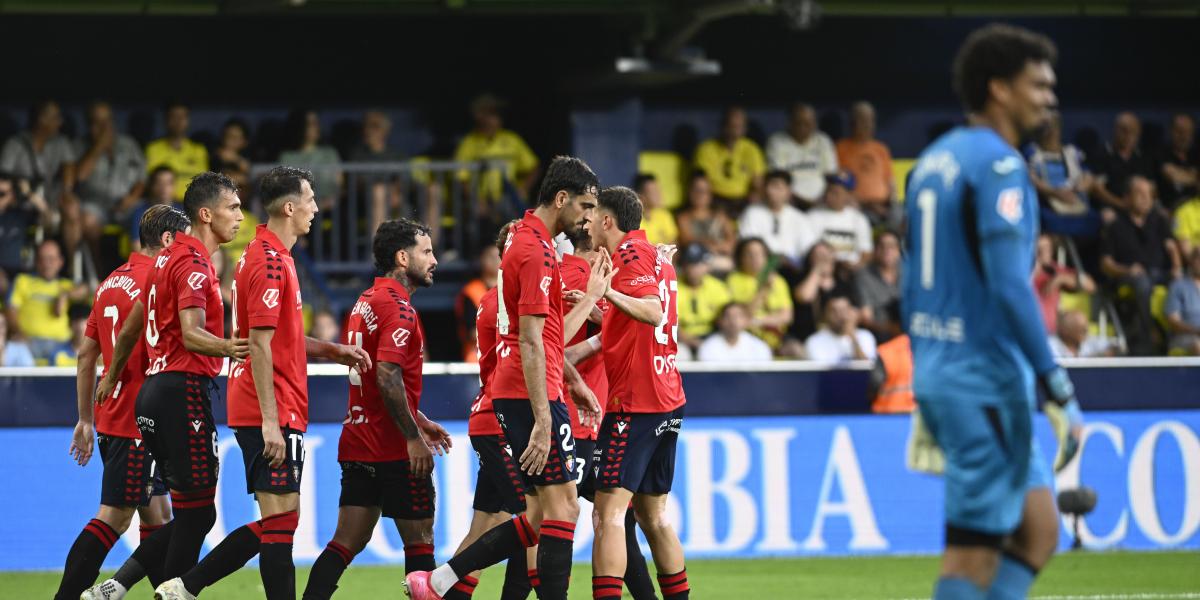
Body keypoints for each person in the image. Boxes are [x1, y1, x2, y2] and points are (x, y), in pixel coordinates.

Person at [901, 24, 1084, 600]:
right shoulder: (1002, 166)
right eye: (1039, 85)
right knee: (971, 556)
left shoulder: (933, 160)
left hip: (946, 372)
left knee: (1038, 531)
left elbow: (913, 280)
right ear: (999, 89)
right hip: (983, 382)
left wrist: (930, 371)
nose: (1049, 97)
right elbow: (1010, 286)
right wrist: (1055, 382)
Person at [155, 167, 370, 600]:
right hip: (270, 403)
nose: (315, 208)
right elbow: (260, 345)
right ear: (290, 207)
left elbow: (279, 336)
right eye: (310, 199)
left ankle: (184, 586)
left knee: (280, 522)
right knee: (280, 527)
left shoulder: (264, 256)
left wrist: (333, 350)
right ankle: (185, 586)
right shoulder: (270, 263)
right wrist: (272, 422)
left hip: (264, 400)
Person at [405, 156, 610, 600]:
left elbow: (550, 335)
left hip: (523, 389)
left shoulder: (524, 237)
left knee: (536, 515)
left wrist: (589, 300)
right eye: (586, 205)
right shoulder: (535, 251)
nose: (589, 216)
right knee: (564, 509)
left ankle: (442, 580)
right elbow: (532, 341)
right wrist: (542, 418)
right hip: (529, 391)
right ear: (561, 199)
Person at [108, 172, 247, 588]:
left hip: (153, 394)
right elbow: (191, 333)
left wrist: (111, 375)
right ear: (206, 214)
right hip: (180, 391)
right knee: (199, 513)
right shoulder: (193, 263)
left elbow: (132, 327)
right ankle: (172, 591)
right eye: (233, 208)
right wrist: (233, 347)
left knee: (191, 513)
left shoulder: (165, 258)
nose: (241, 217)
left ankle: (118, 587)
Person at [302, 218, 452, 600]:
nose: (434, 260)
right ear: (403, 257)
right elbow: (386, 376)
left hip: (357, 441)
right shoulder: (399, 310)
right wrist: (412, 438)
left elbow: (376, 382)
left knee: (346, 541)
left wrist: (418, 418)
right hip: (392, 449)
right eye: (427, 252)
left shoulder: (364, 302)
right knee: (420, 543)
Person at [59, 205, 190, 600]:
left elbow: (86, 355)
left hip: (112, 415)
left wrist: (85, 420)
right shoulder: (160, 279)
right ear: (168, 240)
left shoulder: (110, 282)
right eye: (183, 241)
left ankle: (166, 594)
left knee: (160, 516)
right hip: (140, 421)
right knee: (115, 517)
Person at [583, 185, 690, 600]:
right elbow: (636, 316)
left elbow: (652, 311)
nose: (588, 222)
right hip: (667, 398)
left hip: (637, 403)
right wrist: (600, 309)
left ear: (608, 221)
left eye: (593, 215)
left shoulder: (629, 255)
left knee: (607, 514)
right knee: (653, 515)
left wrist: (603, 292)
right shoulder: (655, 260)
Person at [558, 222, 659, 600]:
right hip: (577, 417)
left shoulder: (614, 274)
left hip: (599, 417)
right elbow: (549, 346)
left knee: (617, 523)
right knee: (599, 522)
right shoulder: (569, 274)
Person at [439, 220, 533, 600]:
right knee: (537, 520)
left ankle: (442, 591)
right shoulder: (517, 298)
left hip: (489, 414)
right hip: (503, 418)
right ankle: (437, 582)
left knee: (486, 524)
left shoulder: (491, 298)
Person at [1099, 175, 1181, 355]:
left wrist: (1176, 268)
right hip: (1129, 277)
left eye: (1149, 194)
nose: (1146, 198)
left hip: (1159, 273)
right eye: (1139, 193)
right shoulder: (1115, 225)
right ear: (1127, 198)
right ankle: (1147, 338)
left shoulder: (1160, 221)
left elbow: (1171, 246)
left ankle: (1179, 339)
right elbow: (1106, 264)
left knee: (1182, 283)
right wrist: (1127, 269)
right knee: (1142, 282)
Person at [74, 100, 147, 258]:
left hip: (126, 203)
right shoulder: (79, 145)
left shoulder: (128, 144)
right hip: (95, 205)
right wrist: (99, 146)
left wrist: (132, 197)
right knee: (87, 220)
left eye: (107, 121)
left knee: (147, 215)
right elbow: (80, 176)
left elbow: (142, 178)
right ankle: (98, 269)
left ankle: (141, 271)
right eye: (97, 122)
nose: (104, 127)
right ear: (89, 124)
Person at [6, 239, 89, 362]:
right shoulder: (23, 281)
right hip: (28, 342)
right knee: (11, 351)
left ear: (60, 262)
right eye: (42, 259)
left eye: (51, 259)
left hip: (62, 344)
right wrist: (19, 332)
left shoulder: (65, 285)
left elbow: (86, 290)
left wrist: (65, 294)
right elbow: (11, 310)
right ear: (36, 262)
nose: (46, 264)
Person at [1025, 113, 1101, 238]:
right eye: (1046, 127)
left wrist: (1079, 189)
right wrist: (1054, 192)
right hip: (1048, 202)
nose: (1050, 132)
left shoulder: (1073, 152)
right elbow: (1030, 177)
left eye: (1053, 127)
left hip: (1074, 199)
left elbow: (1088, 175)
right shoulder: (1032, 152)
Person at [454, 93, 540, 204]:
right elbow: (462, 179)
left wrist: (523, 189)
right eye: (490, 114)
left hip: (510, 200)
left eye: (496, 114)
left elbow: (534, 168)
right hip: (483, 205)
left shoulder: (512, 139)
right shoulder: (468, 143)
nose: (494, 119)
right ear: (479, 116)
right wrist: (477, 202)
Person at [737, 170, 817, 267]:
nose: (772, 191)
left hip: (793, 268)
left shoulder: (800, 218)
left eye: (777, 187)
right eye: (769, 186)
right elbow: (748, 244)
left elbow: (808, 248)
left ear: (788, 191)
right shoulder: (752, 213)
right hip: (762, 265)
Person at [693, 106, 766, 211]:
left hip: (744, 200)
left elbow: (758, 182)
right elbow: (701, 183)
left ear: (745, 129)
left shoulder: (751, 149)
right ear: (722, 126)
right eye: (730, 126)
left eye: (738, 127)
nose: (734, 131)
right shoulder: (706, 149)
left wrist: (755, 193)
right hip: (716, 199)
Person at [726, 237, 793, 351]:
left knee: (796, 349)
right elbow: (746, 314)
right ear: (741, 258)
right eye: (749, 254)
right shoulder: (734, 280)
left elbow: (787, 317)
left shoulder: (779, 281)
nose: (754, 258)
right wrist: (764, 288)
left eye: (759, 254)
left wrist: (758, 321)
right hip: (747, 336)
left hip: (778, 337)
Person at [767, 102, 838, 207]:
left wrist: (823, 199)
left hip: (822, 202)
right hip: (789, 202)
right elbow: (779, 180)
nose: (802, 128)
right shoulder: (776, 142)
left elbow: (831, 176)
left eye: (807, 124)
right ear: (789, 122)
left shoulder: (823, 141)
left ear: (814, 123)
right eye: (798, 123)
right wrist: (801, 202)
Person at [836, 101, 894, 220]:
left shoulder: (881, 149)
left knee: (900, 216)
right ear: (852, 123)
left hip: (884, 207)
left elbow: (890, 182)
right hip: (858, 206)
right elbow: (841, 186)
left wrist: (891, 203)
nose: (867, 124)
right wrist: (871, 205)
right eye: (862, 120)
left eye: (870, 120)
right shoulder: (840, 148)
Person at [280, 109, 343, 210]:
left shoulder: (330, 153)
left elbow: (339, 184)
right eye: (311, 123)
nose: (317, 127)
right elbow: (283, 188)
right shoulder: (287, 156)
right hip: (295, 209)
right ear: (300, 126)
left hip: (327, 207)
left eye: (317, 123)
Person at [144, 102, 209, 201]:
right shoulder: (153, 149)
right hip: (163, 206)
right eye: (174, 116)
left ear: (188, 120)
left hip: (191, 208)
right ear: (166, 120)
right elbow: (150, 184)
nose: (178, 121)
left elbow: (204, 185)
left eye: (182, 117)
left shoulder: (199, 151)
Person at [807, 170, 873, 268]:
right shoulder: (812, 216)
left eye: (835, 192)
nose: (829, 195)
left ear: (849, 195)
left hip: (852, 271)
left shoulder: (859, 219)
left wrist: (855, 267)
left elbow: (866, 253)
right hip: (823, 269)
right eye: (828, 190)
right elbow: (810, 253)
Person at [675, 244, 732, 355]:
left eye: (698, 264)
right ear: (683, 266)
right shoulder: (672, 287)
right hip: (681, 339)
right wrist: (688, 340)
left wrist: (711, 341)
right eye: (689, 264)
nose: (693, 269)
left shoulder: (718, 287)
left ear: (707, 265)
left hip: (714, 336)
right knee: (680, 354)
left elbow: (726, 318)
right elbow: (669, 323)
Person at [1033, 234, 1095, 334]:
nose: (1043, 253)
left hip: (1049, 332)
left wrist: (1060, 279)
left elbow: (1090, 285)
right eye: (1039, 249)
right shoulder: (1021, 267)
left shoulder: (1055, 270)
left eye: (1047, 248)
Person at [675, 172, 736, 272]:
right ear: (689, 192)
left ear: (710, 194)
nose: (700, 195)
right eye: (697, 190)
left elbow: (731, 242)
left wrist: (716, 247)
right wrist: (710, 246)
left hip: (719, 260)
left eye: (705, 191)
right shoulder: (683, 217)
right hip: (694, 262)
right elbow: (686, 240)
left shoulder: (720, 216)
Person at [455, 242, 500, 363]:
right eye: (491, 256)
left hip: (506, 362)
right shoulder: (471, 291)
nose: (496, 260)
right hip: (477, 361)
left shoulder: (513, 289)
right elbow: (471, 332)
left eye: (500, 255)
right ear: (481, 259)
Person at [0, 171, 50, 279]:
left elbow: (48, 216)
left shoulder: (21, 215)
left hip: (21, 274)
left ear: (12, 196)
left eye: (2, 194)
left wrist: (28, 193)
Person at [855, 230, 903, 341]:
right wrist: (893, 329)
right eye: (882, 246)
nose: (887, 251)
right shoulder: (863, 275)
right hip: (880, 332)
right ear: (875, 250)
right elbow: (866, 318)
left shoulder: (909, 272)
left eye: (891, 246)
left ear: (899, 250)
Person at [804, 294, 877, 364]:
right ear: (825, 314)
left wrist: (853, 338)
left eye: (844, 310)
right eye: (834, 311)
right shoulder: (814, 341)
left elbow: (868, 370)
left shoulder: (865, 336)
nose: (840, 316)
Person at [697, 302, 772, 363]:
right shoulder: (708, 347)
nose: (733, 321)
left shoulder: (759, 347)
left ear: (747, 320)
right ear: (720, 321)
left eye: (738, 316)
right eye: (728, 316)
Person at [1157, 113, 1199, 209]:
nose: (1183, 136)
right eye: (1179, 131)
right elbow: (1172, 176)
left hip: (1195, 211)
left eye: (1187, 132)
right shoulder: (1161, 153)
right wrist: (1194, 177)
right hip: (1167, 208)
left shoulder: (1196, 156)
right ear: (1171, 131)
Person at [1165, 248, 1200, 355]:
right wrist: (1196, 330)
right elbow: (1173, 322)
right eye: (1199, 258)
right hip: (1186, 337)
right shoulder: (1178, 286)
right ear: (1191, 261)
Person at [636, 173, 678, 246]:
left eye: (658, 190)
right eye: (653, 192)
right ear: (642, 196)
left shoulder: (664, 215)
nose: (658, 194)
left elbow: (674, 243)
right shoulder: (633, 220)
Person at [210, 118, 252, 191]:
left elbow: (249, 175)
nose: (228, 142)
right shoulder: (215, 156)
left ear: (244, 142)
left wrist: (236, 159)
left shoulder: (248, 156)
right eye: (227, 136)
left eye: (234, 138)